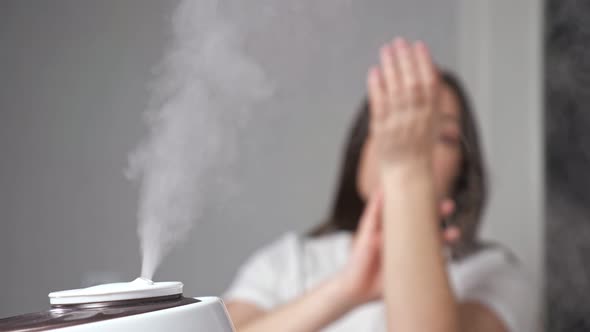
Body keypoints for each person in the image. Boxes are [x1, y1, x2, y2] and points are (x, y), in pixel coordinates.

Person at [224, 38, 535, 332]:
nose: (410, 140)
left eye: (443, 136)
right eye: (391, 124)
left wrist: (408, 171)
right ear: (359, 149)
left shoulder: (495, 274)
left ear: (462, 173)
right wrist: (345, 291)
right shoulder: (288, 262)